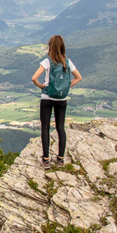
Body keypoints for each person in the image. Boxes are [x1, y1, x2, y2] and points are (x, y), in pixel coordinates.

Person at [31, 35, 82, 169]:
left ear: (50, 47)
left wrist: (42, 86)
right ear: (62, 47)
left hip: (47, 98)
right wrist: (66, 87)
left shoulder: (47, 62)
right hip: (62, 99)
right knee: (60, 128)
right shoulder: (68, 62)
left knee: (45, 128)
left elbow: (34, 78)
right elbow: (78, 78)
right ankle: (60, 159)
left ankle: (46, 159)